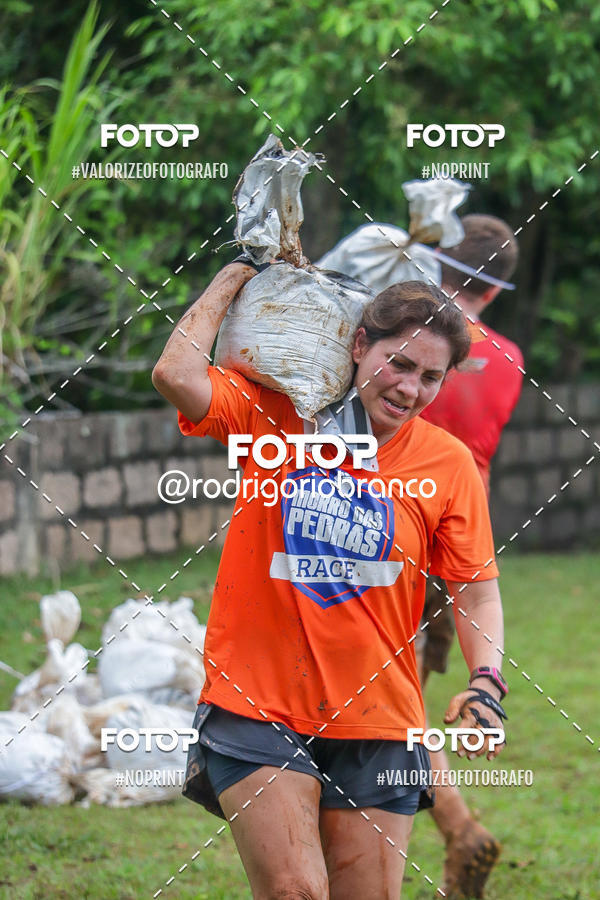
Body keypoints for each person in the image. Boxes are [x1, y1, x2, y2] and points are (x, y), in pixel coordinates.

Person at [152, 267, 509, 899]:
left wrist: (487, 683)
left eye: (430, 377)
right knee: (296, 892)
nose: (409, 388)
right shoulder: (278, 419)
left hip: (379, 719)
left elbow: (475, 587)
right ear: (357, 345)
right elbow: (176, 376)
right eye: (398, 363)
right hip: (256, 702)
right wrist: (233, 277)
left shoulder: (446, 463)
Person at [417, 214, 523, 899]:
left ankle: (456, 826)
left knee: (384, 698)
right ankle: (456, 827)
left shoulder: (415, 344)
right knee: (404, 691)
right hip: (464, 541)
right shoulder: (509, 359)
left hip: (394, 527)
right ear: (496, 288)